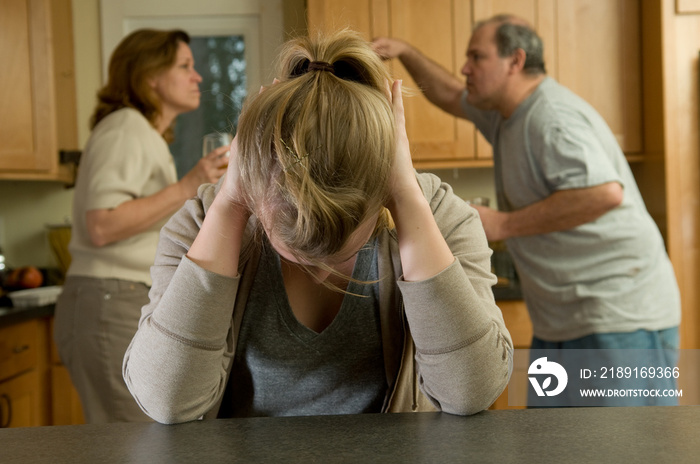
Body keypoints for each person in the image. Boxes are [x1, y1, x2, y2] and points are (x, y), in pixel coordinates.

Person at [122, 29, 513, 424]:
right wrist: (229, 204)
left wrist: (406, 196)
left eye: (340, 242)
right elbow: (166, 401)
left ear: (381, 191)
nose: (319, 266)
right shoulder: (203, 220)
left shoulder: (438, 215)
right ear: (255, 190)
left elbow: (470, 391)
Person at [373, 15, 681, 406]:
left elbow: (605, 193)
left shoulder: (550, 116)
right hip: (563, 317)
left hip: (618, 315)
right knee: (551, 444)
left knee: (626, 447)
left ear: (515, 61)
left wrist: (503, 224)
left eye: (476, 57)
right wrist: (403, 51)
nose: (465, 67)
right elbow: (450, 93)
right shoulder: (505, 113)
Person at [54, 29, 227, 423]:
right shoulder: (125, 127)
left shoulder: (143, 134)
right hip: (109, 300)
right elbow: (101, 224)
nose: (197, 76)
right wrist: (187, 184)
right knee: (131, 440)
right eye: (184, 66)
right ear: (149, 76)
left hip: (116, 297)